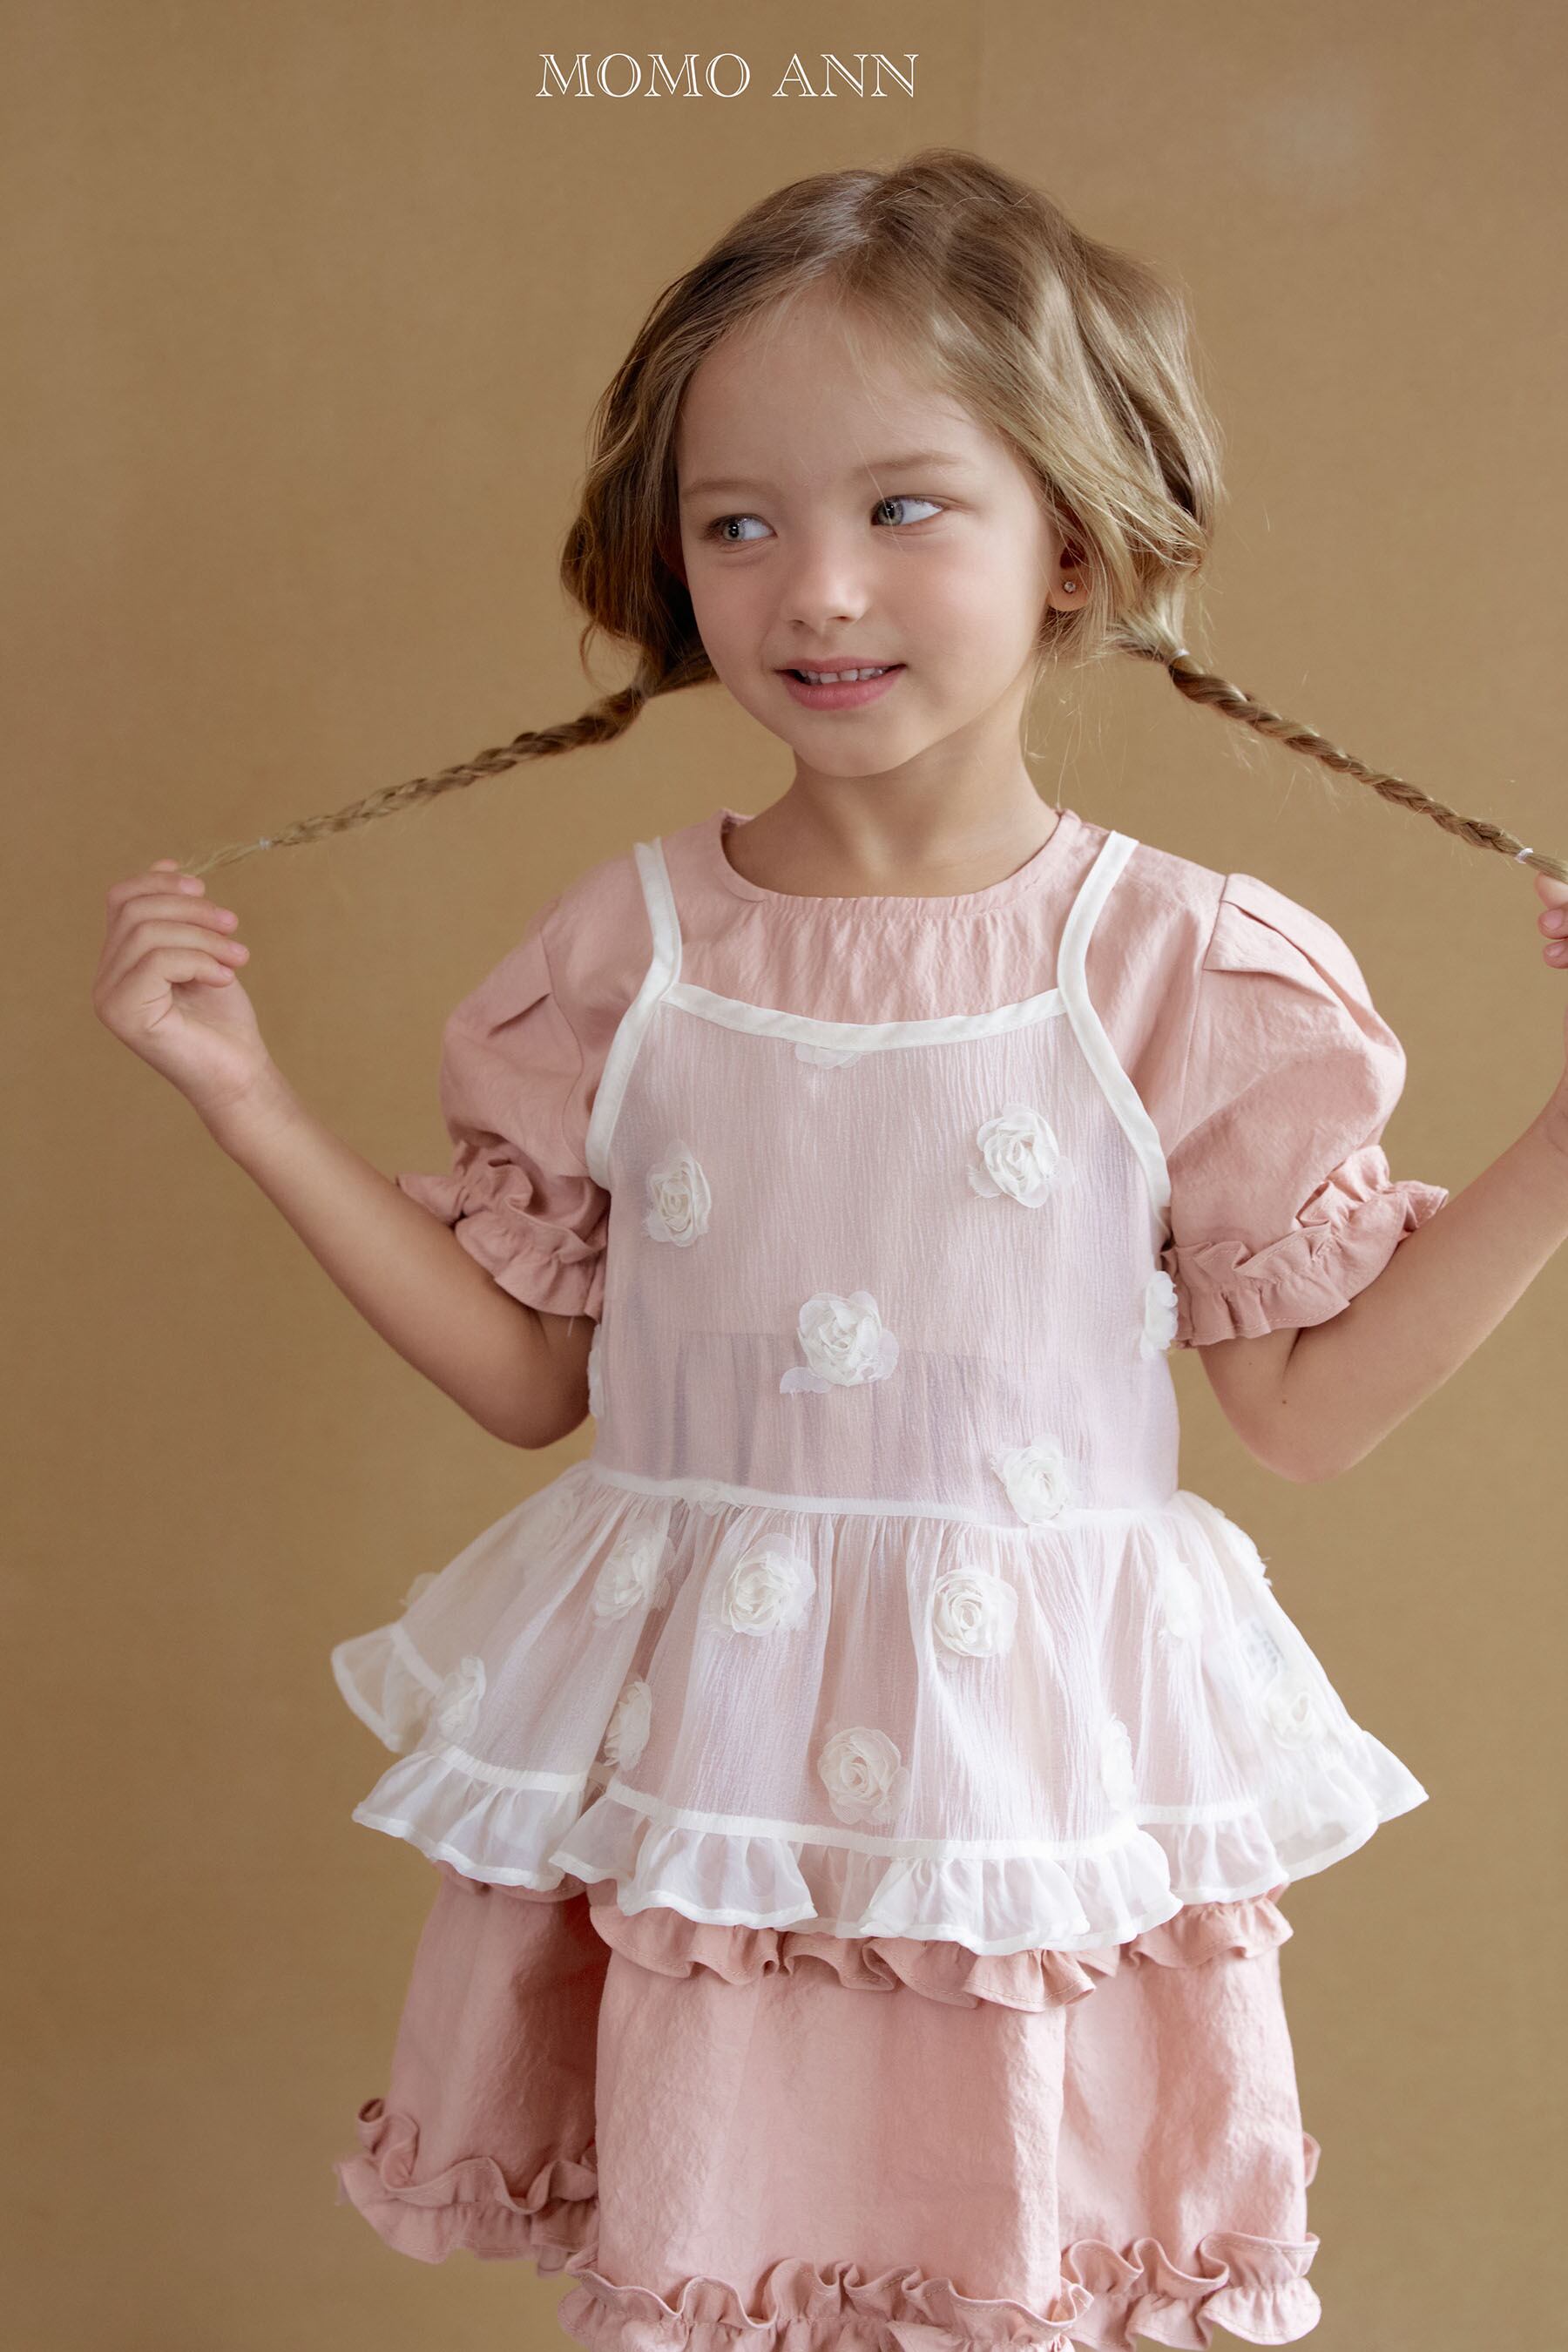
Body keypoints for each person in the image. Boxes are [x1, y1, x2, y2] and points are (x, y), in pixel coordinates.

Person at [92, 151, 1568, 2352]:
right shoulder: (625, 953)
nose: (819, 589)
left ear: (1074, 540)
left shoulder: (1176, 964)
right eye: (739, 523)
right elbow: (528, 1377)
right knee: (719, 2282)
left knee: (1022, 2279)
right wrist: (248, 1103)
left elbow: (1309, 1406)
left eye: (905, 506)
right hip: (716, 1780)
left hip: (1019, 1787)